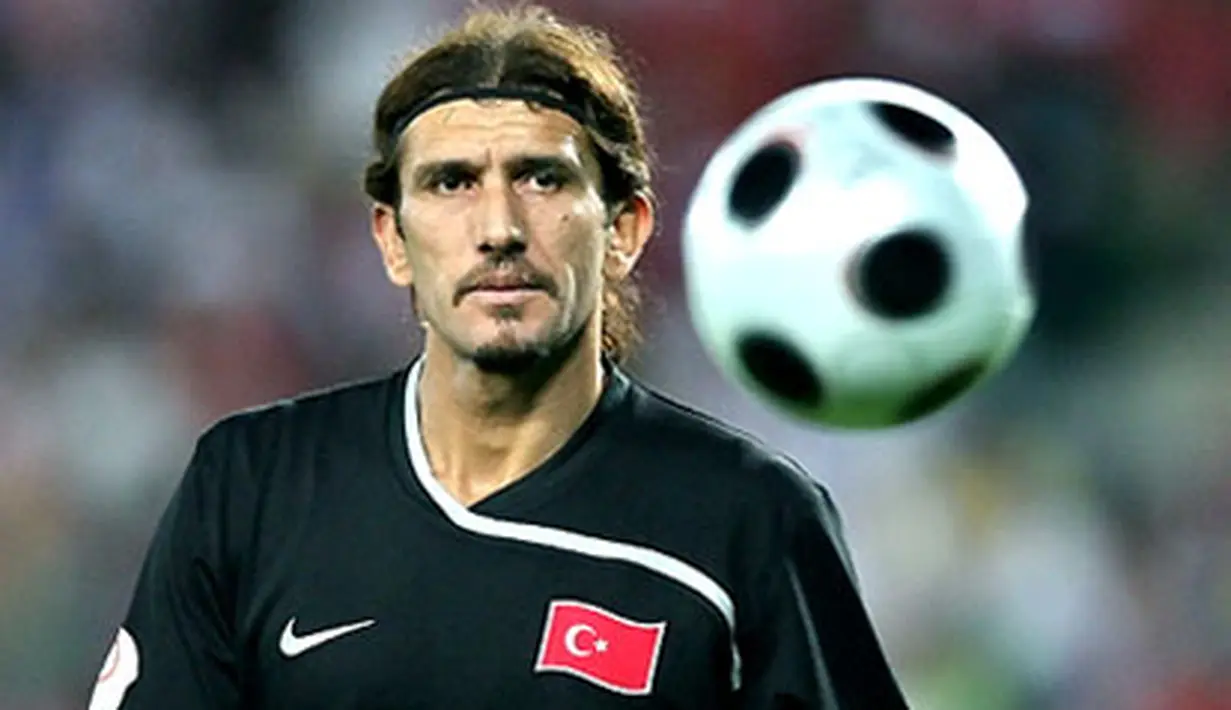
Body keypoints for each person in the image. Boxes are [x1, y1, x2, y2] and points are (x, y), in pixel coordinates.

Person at [89, 5, 910, 709]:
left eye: (542, 179)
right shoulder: (253, 486)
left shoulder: (749, 518)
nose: (499, 228)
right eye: (451, 183)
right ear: (391, 237)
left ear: (623, 229)